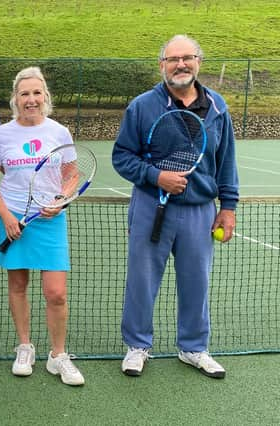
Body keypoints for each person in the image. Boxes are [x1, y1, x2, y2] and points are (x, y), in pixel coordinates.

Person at [112, 35, 239, 379]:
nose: (181, 64)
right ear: (162, 65)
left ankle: (194, 348)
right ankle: (137, 346)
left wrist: (228, 206)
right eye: (173, 59)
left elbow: (226, 161)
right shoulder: (142, 106)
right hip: (151, 207)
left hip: (200, 212)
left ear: (198, 61)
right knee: (141, 280)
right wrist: (157, 176)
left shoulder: (217, 107)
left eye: (187, 57)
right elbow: (121, 157)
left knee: (196, 282)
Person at [0, 67, 85, 386]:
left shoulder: (59, 132)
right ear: (15, 99)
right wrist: (7, 217)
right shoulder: (2, 134)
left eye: (36, 93)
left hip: (50, 220)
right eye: (24, 94)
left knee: (56, 293)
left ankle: (58, 356)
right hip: (13, 217)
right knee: (18, 286)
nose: (31, 99)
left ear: (45, 97)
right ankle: (25, 347)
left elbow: (72, 175)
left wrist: (61, 200)